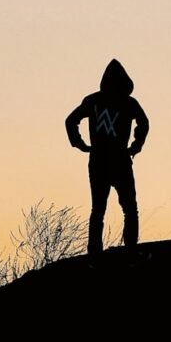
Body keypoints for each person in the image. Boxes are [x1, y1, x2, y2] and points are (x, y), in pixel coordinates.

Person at [65, 58, 150, 255]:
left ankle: (94, 255)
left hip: (98, 160)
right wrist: (135, 146)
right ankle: (131, 252)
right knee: (130, 209)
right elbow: (144, 123)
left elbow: (70, 120)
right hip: (119, 159)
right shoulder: (129, 102)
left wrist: (80, 144)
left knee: (98, 210)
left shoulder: (92, 100)